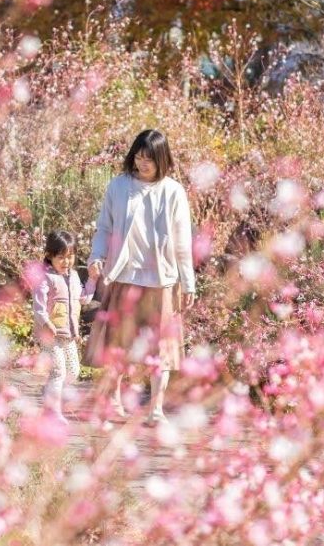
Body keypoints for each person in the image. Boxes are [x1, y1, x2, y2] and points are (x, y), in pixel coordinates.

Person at [83, 129, 196, 425]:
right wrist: (96, 257)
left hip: (161, 280)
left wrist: (188, 281)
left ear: (162, 160)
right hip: (124, 276)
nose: (142, 163)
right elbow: (104, 228)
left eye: (149, 158)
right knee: (118, 342)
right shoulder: (119, 186)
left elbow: (183, 241)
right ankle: (115, 399)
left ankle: (155, 408)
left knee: (163, 348)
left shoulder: (173, 191)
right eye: (138, 156)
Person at [31, 230, 83, 422]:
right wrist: (46, 323)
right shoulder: (46, 278)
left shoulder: (75, 276)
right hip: (50, 335)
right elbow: (38, 307)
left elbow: (82, 298)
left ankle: (50, 391)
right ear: (49, 256)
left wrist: (94, 281)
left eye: (70, 257)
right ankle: (52, 412)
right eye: (61, 257)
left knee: (73, 371)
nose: (66, 262)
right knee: (58, 371)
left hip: (68, 334)